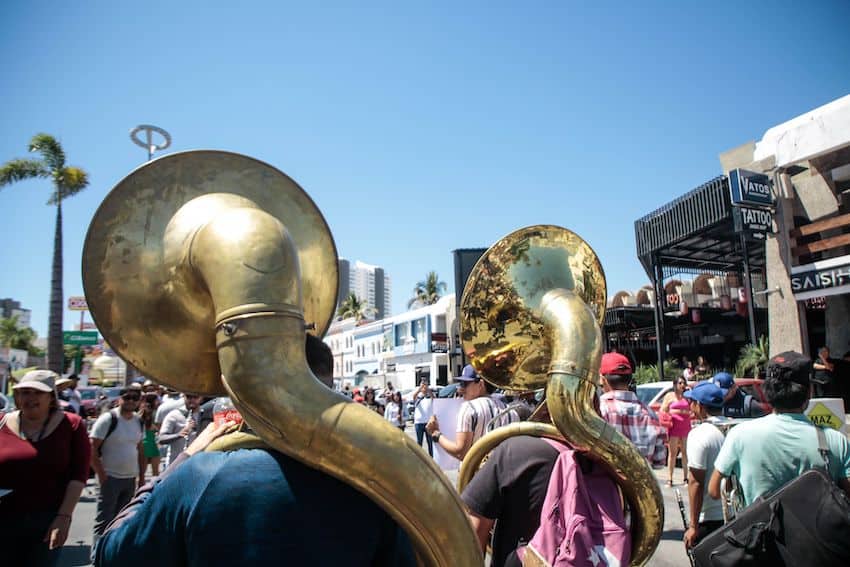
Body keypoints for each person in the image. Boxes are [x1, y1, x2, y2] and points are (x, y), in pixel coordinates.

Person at [94, 343, 416, 566]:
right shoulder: (374, 485)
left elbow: (110, 554)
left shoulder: (200, 475)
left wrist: (183, 459)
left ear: (253, 390)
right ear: (330, 392)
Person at [709, 351, 850, 508]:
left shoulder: (739, 435)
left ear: (768, 392)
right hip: (820, 532)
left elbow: (714, 491)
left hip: (763, 530)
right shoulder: (836, 440)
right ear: (809, 392)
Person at [0, 370, 91, 566]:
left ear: (51, 397)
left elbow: (78, 476)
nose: (30, 398)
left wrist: (64, 517)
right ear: (16, 396)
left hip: (47, 520)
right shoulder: (1, 423)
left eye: (37, 392)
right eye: (25, 392)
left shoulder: (72, 425)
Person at [89, 383, 145, 557]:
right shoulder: (108, 419)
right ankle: (96, 557)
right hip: (110, 477)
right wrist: (102, 474)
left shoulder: (138, 421)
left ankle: (113, 555)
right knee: (104, 520)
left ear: (138, 402)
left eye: (134, 398)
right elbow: (91, 448)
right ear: (120, 399)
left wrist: (142, 477)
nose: (130, 401)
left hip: (130, 478)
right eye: (127, 397)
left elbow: (140, 450)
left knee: (122, 519)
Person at [425, 364, 518, 461]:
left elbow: (461, 453)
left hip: (479, 474)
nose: (461, 389)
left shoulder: (469, 408)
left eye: (465, 384)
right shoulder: (511, 411)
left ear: (480, 384)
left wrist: (436, 433)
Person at [598, 353, 667, 468]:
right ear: (629, 380)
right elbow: (659, 461)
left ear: (602, 379)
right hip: (642, 484)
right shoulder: (650, 414)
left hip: (604, 484)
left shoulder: (599, 410)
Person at [682, 382, 726, 550]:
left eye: (691, 402)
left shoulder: (699, 434)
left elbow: (696, 482)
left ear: (700, 406)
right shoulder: (734, 428)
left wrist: (693, 526)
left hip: (710, 519)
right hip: (737, 516)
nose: (690, 407)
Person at [660, 376, 691, 486]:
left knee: (685, 453)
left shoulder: (687, 396)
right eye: (680, 383)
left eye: (684, 383)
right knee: (673, 453)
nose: (682, 385)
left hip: (685, 426)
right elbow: (663, 409)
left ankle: (686, 478)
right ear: (675, 384)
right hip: (674, 426)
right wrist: (671, 412)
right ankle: (670, 478)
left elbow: (692, 409)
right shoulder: (670, 396)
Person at [158, 392, 202, 467]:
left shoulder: (205, 414)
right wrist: (178, 435)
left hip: (197, 465)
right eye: (189, 396)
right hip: (175, 465)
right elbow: (161, 438)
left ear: (201, 398)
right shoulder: (174, 415)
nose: (192, 400)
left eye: (195, 397)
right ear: (183, 397)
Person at [138, 393, 161, 477]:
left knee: (144, 472)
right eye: (156, 400)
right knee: (149, 471)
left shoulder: (153, 410)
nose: (158, 401)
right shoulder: (146, 410)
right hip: (147, 440)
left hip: (149, 440)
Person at [412, 381, 434, 456]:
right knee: (419, 442)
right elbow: (413, 396)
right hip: (418, 422)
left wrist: (428, 390)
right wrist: (419, 389)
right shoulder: (418, 397)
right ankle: (419, 458)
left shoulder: (429, 396)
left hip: (428, 422)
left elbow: (434, 398)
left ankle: (431, 458)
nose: (424, 387)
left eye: (425, 385)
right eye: (422, 386)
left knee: (430, 442)